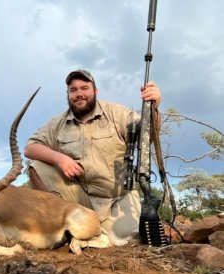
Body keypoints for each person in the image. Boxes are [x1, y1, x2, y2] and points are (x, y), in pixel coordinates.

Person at [24, 69, 161, 246]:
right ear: (68, 95)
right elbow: (30, 148)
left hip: (116, 198)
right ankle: (60, 224)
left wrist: (154, 107)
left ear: (95, 92)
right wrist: (59, 159)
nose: (79, 94)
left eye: (84, 88)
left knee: (122, 239)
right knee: (37, 166)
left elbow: (148, 134)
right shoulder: (58, 122)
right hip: (80, 197)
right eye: (73, 90)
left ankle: (84, 232)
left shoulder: (116, 113)